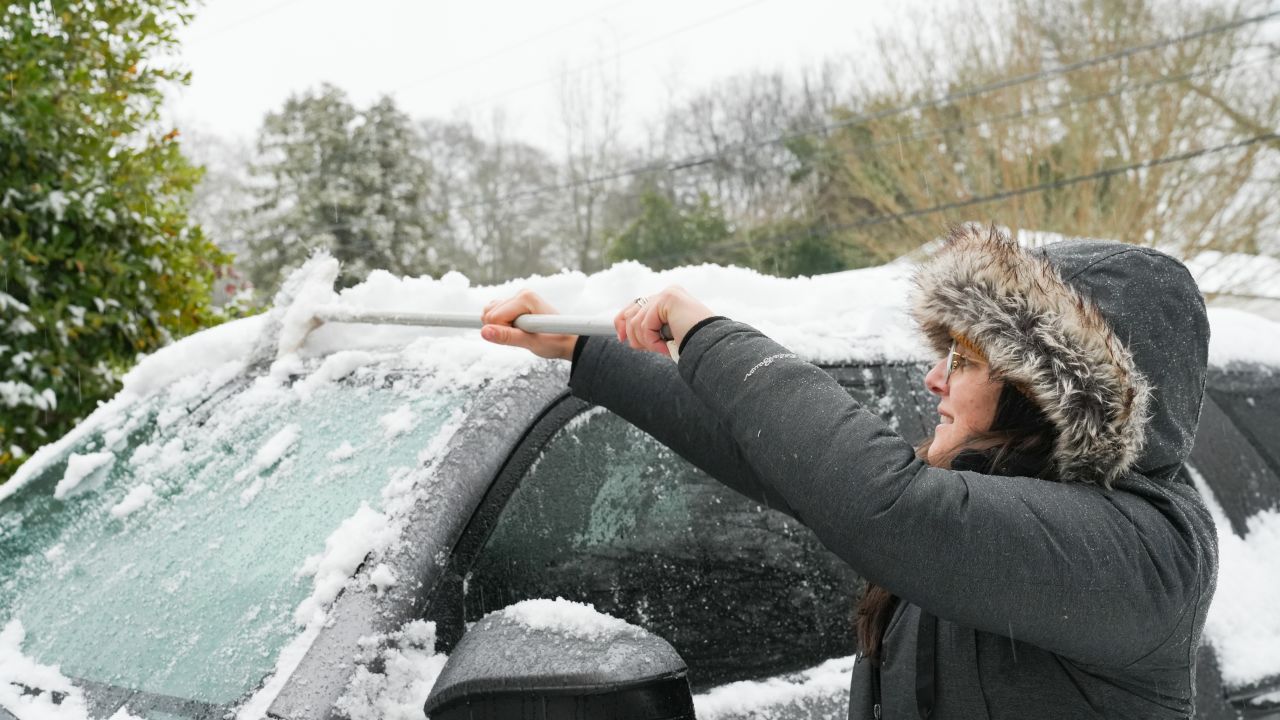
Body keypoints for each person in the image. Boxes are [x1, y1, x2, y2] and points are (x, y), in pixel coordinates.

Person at [479, 224, 1217, 719]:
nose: (934, 379)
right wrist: (583, 350)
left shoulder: (1146, 554)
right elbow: (789, 457)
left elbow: (883, 505)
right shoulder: (985, 492)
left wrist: (711, 337)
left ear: (1047, 391)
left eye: (963, 359)